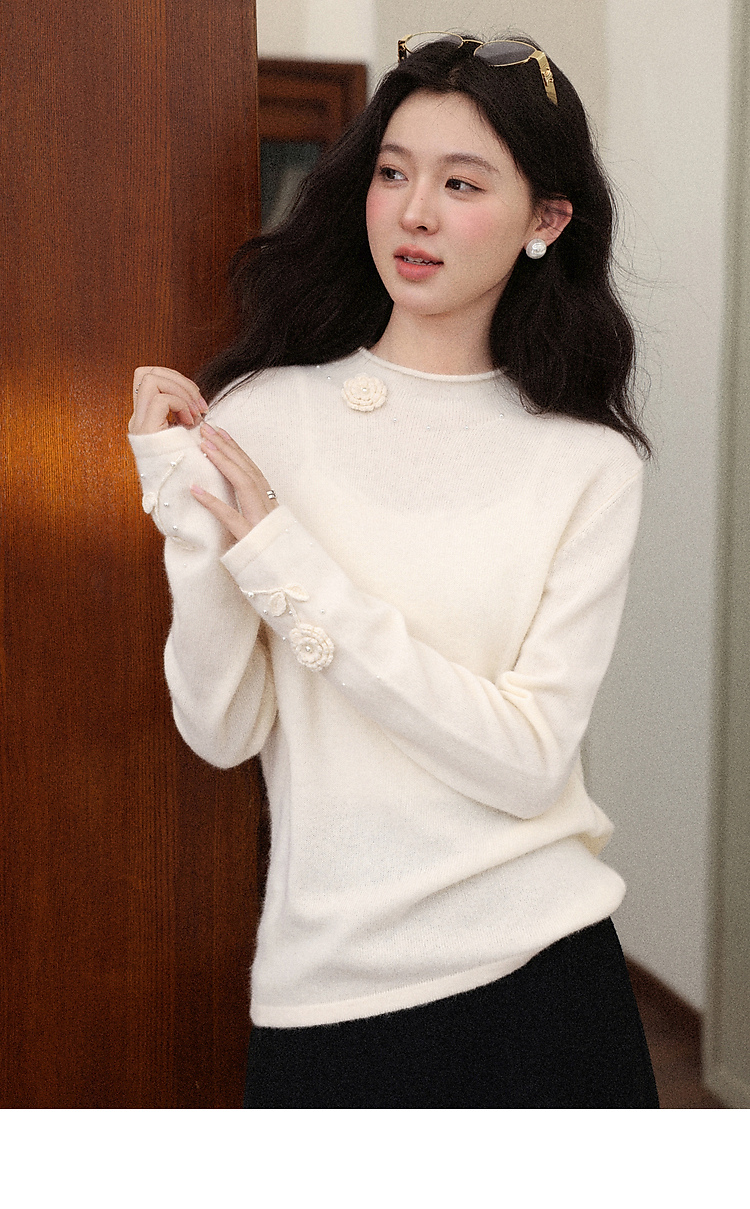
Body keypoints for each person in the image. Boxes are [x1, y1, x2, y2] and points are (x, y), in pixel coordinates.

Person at [128, 33, 659, 1108]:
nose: (413, 212)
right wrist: (190, 515)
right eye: (392, 172)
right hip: (328, 989)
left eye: (462, 184)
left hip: (545, 979)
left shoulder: (589, 464)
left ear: (547, 221)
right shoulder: (266, 415)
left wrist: (283, 560)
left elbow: (528, 761)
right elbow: (222, 728)